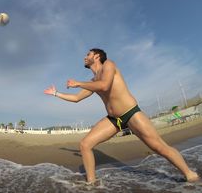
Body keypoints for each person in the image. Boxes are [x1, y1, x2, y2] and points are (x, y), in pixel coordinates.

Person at [44, 48, 200, 183]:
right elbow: (76, 98)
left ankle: (190, 175)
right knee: (85, 145)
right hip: (114, 120)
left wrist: (78, 83)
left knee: (159, 147)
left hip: (131, 113)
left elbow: (104, 85)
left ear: (97, 56)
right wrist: (56, 93)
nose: (85, 57)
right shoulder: (92, 81)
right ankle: (91, 184)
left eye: (88, 54)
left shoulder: (109, 65)